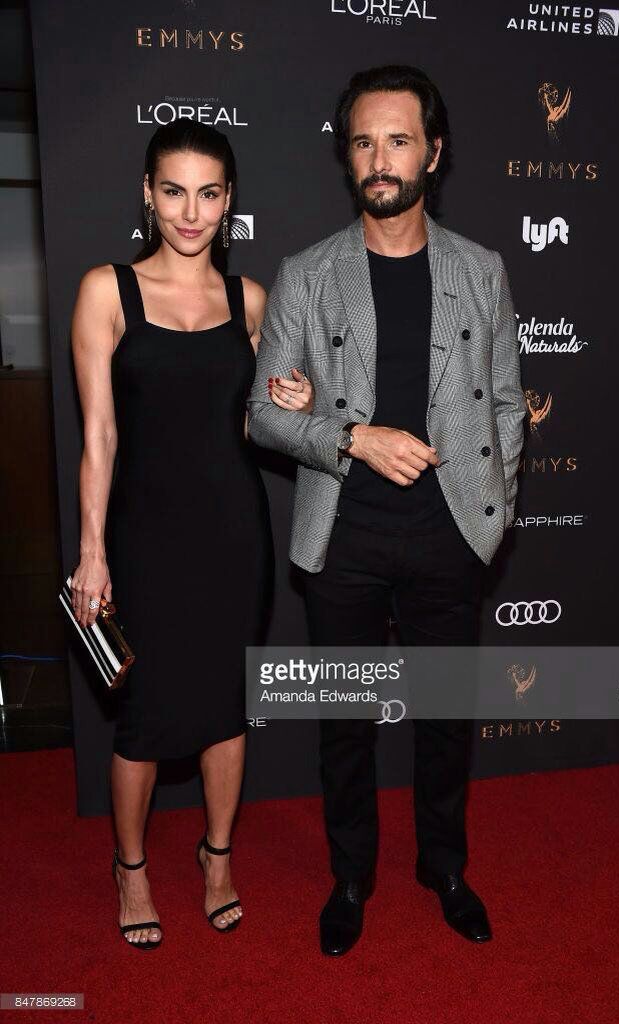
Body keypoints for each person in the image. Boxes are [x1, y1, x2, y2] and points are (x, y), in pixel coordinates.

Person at [247, 65, 525, 956]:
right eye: (364, 140)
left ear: (432, 154)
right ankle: (350, 875)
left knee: (445, 724)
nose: (380, 158)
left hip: (449, 533)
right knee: (345, 729)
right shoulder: (305, 273)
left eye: (398, 139)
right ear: (346, 155)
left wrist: (494, 507)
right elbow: (263, 412)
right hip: (347, 533)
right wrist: (353, 435)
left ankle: (443, 865)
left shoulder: (480, 272)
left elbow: (510, 406)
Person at [69, 119, 313, 950]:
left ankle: (216, 858)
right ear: (147, 192)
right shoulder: (106, 290)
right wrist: (92, 552)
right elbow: (98, 436)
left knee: (223, 710)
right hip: (140, 538)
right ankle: (130, 867)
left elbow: (259, 430)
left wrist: (294, 405)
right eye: (173, 190)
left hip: (230, 537)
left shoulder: (250, 302)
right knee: (140, 716)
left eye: (208, 194)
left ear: (228, 202)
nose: (189, 211)